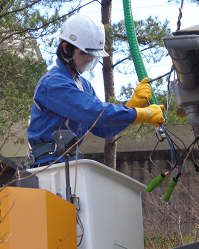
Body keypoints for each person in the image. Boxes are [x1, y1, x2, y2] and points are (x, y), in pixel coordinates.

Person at [27, 13, 164, 167]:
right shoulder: (53, 83)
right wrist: (138, 114)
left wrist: (131, 106)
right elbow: (92, 112)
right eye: (85, 53)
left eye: (94, 55)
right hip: (48, 164)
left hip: (68, 163)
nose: (90, 59)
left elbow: (103, 129)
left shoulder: (83, 85)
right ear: (66, 49)